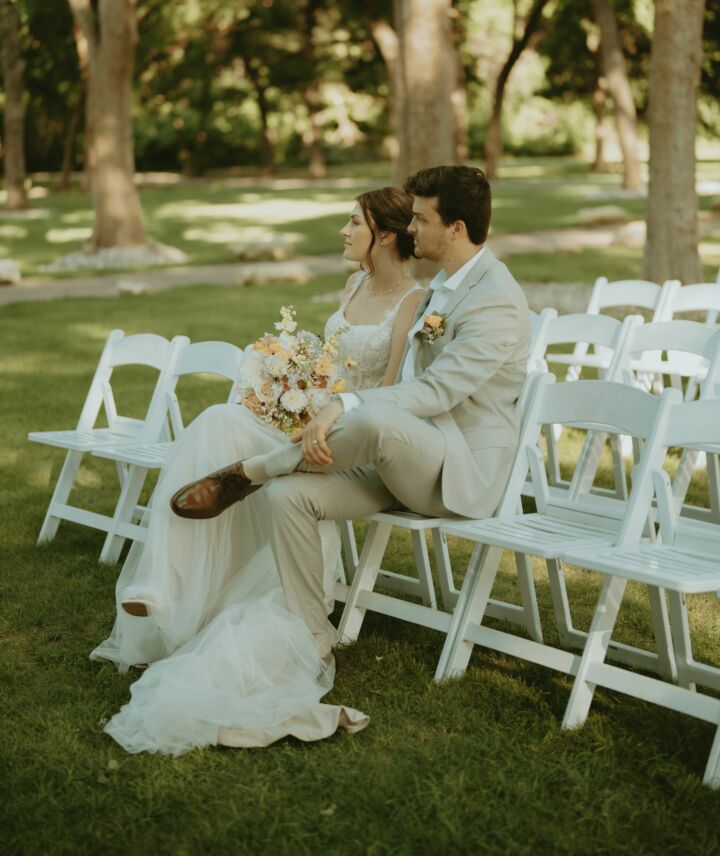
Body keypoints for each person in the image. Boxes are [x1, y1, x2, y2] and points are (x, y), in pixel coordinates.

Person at [91, 186, 424, 753]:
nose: (343, 231)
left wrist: (328, 414)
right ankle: (163, 587)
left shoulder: (412, 302)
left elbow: (388, 394)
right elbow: (329, 365)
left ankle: (224, 567)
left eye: (354, 222)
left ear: (386, 235)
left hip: (354, 443)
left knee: (246, 453)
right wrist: (288, 386)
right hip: (309, 426)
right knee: (218, 421)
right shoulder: (355, 284)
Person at [172, 165, 531, 663]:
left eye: (422, 219)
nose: (410, 228)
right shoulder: (445, 285)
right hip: (399, 456)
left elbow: (437, 391)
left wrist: (345, 403)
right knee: (288, 496)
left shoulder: (496, 302)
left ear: (456, 228)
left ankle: (254, 470)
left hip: (457, 469)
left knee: (374, 419)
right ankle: (312, 636)